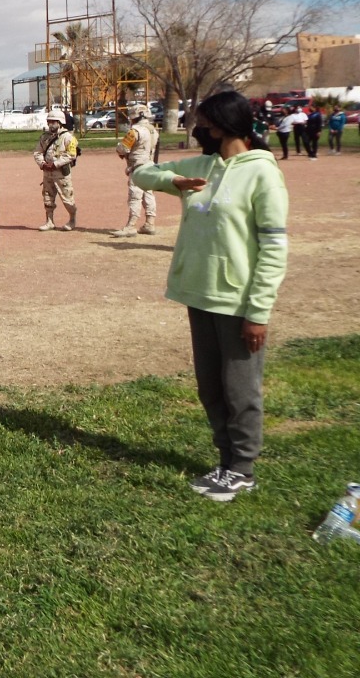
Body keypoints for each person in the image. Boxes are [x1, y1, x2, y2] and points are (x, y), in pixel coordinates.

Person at [132, 90, 288, 502]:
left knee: (241, 390)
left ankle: (243, 469)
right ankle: (225, 463)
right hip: (199, 294)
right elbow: (140, 175)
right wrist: (174, 181)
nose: (198, 127)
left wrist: (258, 312)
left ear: (221, 125)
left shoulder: (262, 173)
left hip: (238, 302)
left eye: (203, 121)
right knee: (210, 387)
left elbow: (273, 248)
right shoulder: (201, 166)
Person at [111, 104, 160, 237]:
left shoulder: (134, 131)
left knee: (135, 197)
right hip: (150, 166)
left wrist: (118, 148)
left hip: (137, 167)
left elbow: (123, 149)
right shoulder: (153, 130)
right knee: (148, 194)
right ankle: (150, 223)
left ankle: (131, 226)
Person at [33, 106, 78, 231]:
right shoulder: (44, 137)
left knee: (67, 198)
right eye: (49, 122)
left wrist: (55, 164)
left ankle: (72, 219)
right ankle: (49, 221)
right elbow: (37, 152)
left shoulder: (68, 138)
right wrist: (42, 163)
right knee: (47, 197)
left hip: (61, 173)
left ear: (60, 122)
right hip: (47, 173)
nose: (50, 124)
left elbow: (71, 154)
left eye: (53, 122)